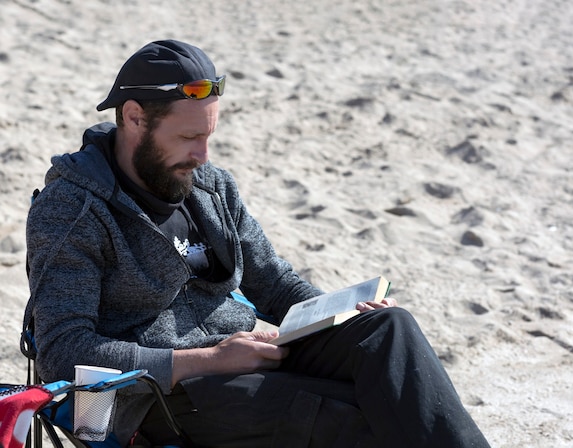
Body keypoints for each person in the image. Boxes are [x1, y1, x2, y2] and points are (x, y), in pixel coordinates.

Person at [22, 39, 490, 447]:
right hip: (151, 398)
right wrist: (209, 359)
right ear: (134, 117)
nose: (202, 156)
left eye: (208, 136)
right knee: (346, 416)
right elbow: (63, 353)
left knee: (388, 329)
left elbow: (274, 283)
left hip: (246, 351)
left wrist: (340, 313)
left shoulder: (209, 187)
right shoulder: (72, 210)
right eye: (188, 137)